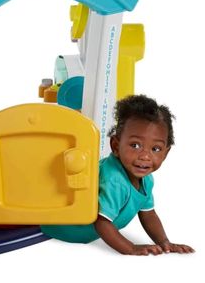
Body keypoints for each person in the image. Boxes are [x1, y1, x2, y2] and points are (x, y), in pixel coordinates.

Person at [41, 94, 195, 255]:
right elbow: (101, 222)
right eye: (135, 145)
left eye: (155, 149)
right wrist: (131, 248)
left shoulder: (146, 179)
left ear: (165, 153)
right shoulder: (114, 180)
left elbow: (148, 214)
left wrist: (165, 243)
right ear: (115, 145)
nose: (145, 156)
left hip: (75, 229)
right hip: (64, 228)